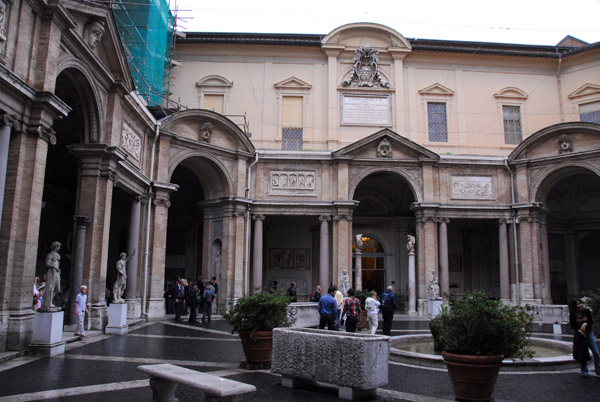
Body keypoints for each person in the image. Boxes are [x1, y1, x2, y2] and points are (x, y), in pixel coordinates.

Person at [569, 299, 600, 377]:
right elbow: (573, 325)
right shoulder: (572, 314)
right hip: (579, 335)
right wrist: (580, 330)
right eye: (578, 304)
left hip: (589, 333)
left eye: (581, 303)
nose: (580, 305)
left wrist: (585, 324)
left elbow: (591, 321)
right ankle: (584, 371)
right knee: (582, 353)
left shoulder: (586, 311)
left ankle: (598, 370)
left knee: (596, 352)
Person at [41, 241, 61, 310]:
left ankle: (48, 301)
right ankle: (47, 303)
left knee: (57, 289)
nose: (59, 248)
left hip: (57, 272)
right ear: (55, 246)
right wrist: (53, 267)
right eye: (58, 246)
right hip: (52, 271)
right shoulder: (50, 255)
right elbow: (47, 263)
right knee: (50, 287)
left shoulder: (57, 255)